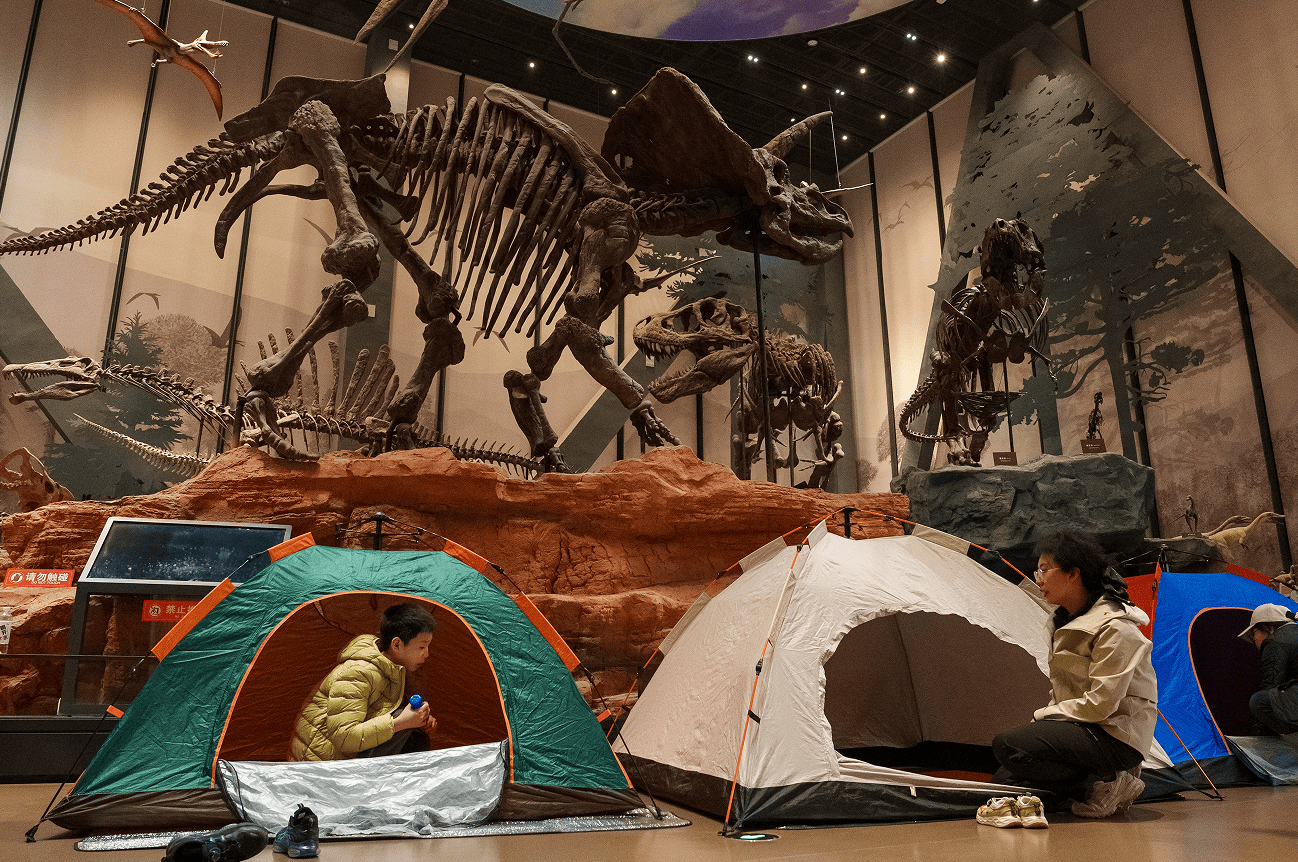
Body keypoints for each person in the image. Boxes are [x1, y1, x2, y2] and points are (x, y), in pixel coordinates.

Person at [983, 533, 1157, 823]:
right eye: (1037, 572)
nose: (1039, 580)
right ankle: (1093, 783)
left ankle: (1104, 782)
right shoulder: (1061, 621)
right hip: (1083, 728)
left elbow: (1101, 705)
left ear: (1073, 573)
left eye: (1045, 570)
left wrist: (1043, 716)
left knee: (1008, 746)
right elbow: (1066, 689)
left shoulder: (1116, 627)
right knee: (1004, 782)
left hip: (1115, 736)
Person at [291, 602, 438, 761]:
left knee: (415, 734)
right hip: (317, 764)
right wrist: (401, 722)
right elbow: (344, 737)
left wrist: (419, 720)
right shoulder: (357, 673)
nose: (427, 654)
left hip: (343, 758)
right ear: (397, 644)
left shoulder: (395, 669)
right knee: (402, 725)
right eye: (422, 647)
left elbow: (384, 711)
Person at [1239, 603, 1298, 735]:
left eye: (1253, 634)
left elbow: (1271, 683)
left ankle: (1280, 739)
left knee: (1259, 701)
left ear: (1267, 627)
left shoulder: (1275, 641)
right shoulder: (1293, 633)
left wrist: (1260, 729)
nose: (1254, 640)